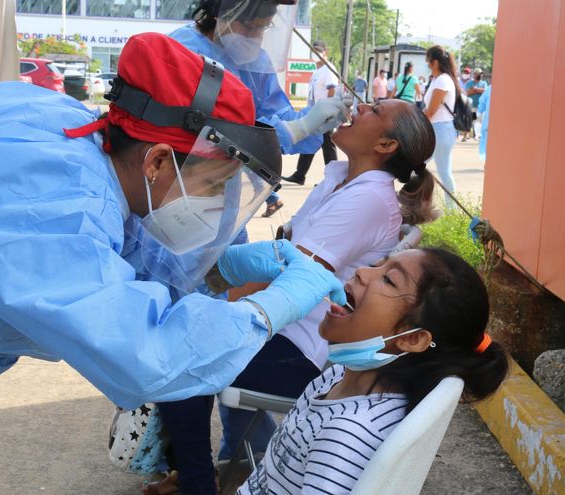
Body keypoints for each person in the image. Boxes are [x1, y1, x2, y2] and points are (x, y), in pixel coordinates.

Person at [0, 33, 348, 494]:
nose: (210, 205)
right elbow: (147, 354)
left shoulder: (63, 133)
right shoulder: (46, 204)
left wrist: (216, 267)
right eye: (211, 187)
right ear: (156, 161)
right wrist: (270, 307)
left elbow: (108, 245)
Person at [151, 98, 439, 495]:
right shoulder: (341, 180)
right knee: (193, 336)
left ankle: (197, 484)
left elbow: (293, 280)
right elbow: (285, 252)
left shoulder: (367, 200)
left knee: (181, 363)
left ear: (386, 146)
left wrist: (217, 299)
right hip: (289, 332)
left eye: (373, 110)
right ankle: (212, 469)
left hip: (302, 348)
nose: (356, 108)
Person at [239, 248, 510, 494]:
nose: (362, 272)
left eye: (389, 279)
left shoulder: (348, 435)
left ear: (412, 339)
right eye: (377, 265)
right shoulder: (339, 375)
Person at [170, 0, 349, 217]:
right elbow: (210, 131)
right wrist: (295, 129)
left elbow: (274, 113)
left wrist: (312, 120)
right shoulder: (183, 50)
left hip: (227, 194)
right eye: (250, 27)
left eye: (264, 27)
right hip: (179, 186)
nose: (256, 36)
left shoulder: (256, 60)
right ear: (221, 14)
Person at [282, 40, 339, 186]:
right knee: (309, 141)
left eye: (319, 51)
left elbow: (332, 90)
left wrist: (330, 112)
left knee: (327, 145)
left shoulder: (328, 69)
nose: (316, 54)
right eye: (313, 51)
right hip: (315, 113)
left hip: (325, 114)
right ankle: (300, 175)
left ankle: (332, 179)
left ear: (325, 52)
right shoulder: (316, 70)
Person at [423, 45, 459, 208]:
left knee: (421, 166)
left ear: (435, 62)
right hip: (437, 130)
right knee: (442, 172)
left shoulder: (443, 80)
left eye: (428, 61)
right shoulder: (437, 80)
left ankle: (451, 211)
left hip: (441, 131)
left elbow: (430, 112)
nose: (427, 65)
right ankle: (449, 210)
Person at [467, 68, 488, 140]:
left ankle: (477, 135)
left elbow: (485, 91)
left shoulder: (484, 83)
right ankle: (470, 135)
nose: (480, 75)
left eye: (481, 74)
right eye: (478, 74)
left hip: (480, 107)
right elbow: (468, 92)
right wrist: (479, 90)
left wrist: (475, 89)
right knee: (472, 120)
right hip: (472, 106)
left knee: (479, 121)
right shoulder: (469, 83)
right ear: (475, 74)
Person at [478, 83, 492, 162]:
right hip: (488, 123)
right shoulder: (489, 89)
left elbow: (481, 103)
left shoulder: (490, 89)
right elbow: (482, 102)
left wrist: (479, 113)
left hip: (489, 124)